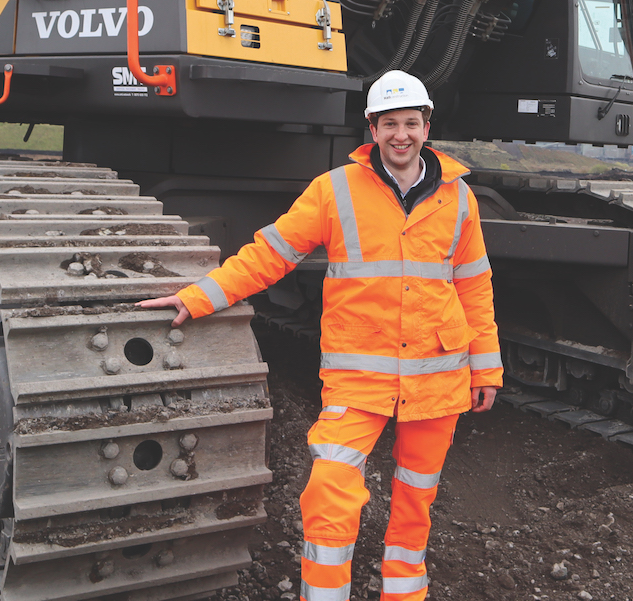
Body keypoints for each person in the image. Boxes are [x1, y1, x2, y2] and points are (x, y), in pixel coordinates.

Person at [139, 69, 501, 601]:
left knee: (414, 505)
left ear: (427, 127)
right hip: (358, 381)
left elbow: (475, 289)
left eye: (411, 124)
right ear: (371, 129)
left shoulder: (459, 199)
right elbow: (271, 254)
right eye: (389, 124)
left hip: (437, 380)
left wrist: (486, 369)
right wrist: (200, 297)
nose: (401, 135)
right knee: (330, 495)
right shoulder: (334, 191)